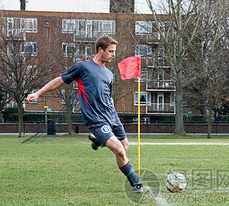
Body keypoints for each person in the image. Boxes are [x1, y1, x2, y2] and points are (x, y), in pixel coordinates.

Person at [26, 35, 143, 193]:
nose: (113, 54)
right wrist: (38, 93)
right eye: (110, 51)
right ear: (100, 50)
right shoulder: (83, 67)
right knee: (119, 151)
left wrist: (115, 117)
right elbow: (60, 80)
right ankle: (136, 183)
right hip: (95, 118)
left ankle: (97, 139)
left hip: (111, 116)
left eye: (114, 51)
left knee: (124, 147)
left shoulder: (109, 74)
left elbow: (108, 98)